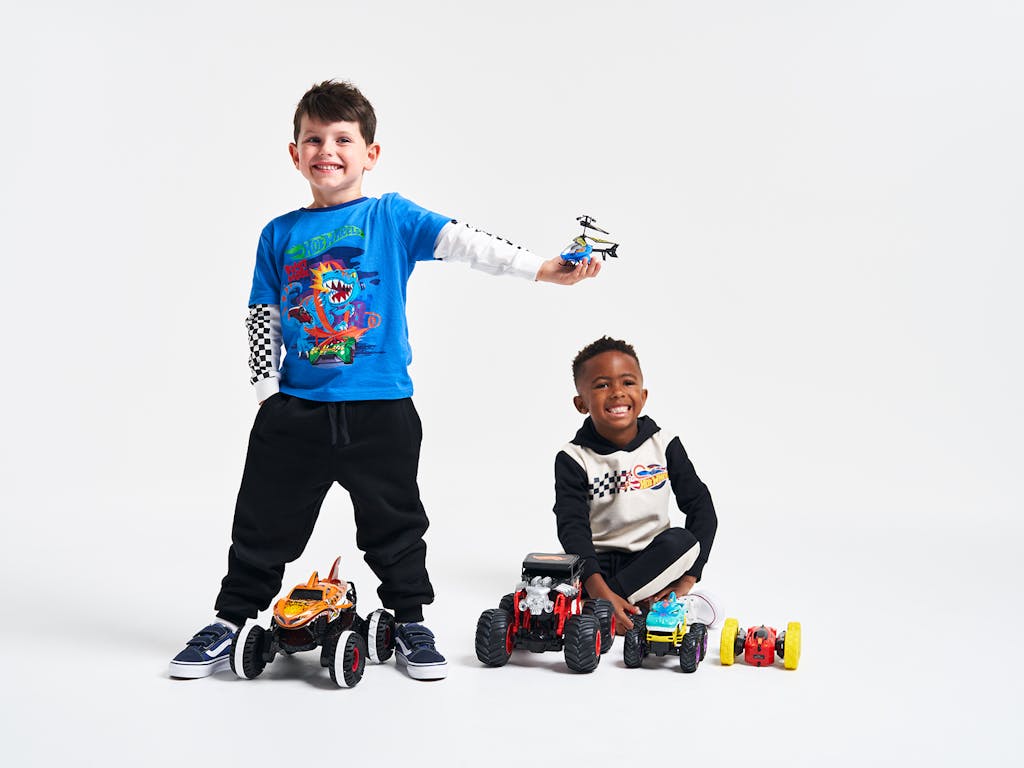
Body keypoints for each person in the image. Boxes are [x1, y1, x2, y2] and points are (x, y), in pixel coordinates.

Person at [169, 80, 600, 682]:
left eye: (344, 139)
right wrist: (268, 397)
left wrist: (541, 270)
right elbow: (260, 316)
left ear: (370, 153)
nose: (328, 150)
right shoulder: (277, 233)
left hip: (381, 410)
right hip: (295, 411)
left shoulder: (390, 216)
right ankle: (232, 619)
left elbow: (467, 242)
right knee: (262, 522)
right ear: (294, 154)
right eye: (313, 139)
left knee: (395, 524)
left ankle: (410, 620)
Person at [553, 336, 718, 634]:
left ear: (642, 395)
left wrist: (688, 578)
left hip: (652, 560)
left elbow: (701, 507)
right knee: (559, 565)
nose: (617, 393)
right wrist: (600, 588)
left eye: (627, 383)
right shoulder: (573, 457)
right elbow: (571, 526)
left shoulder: (663, 443)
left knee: (684, 542)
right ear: (581, 403)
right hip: (596, 566)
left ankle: (601, 607)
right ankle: (616, 602)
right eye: (602, 385)